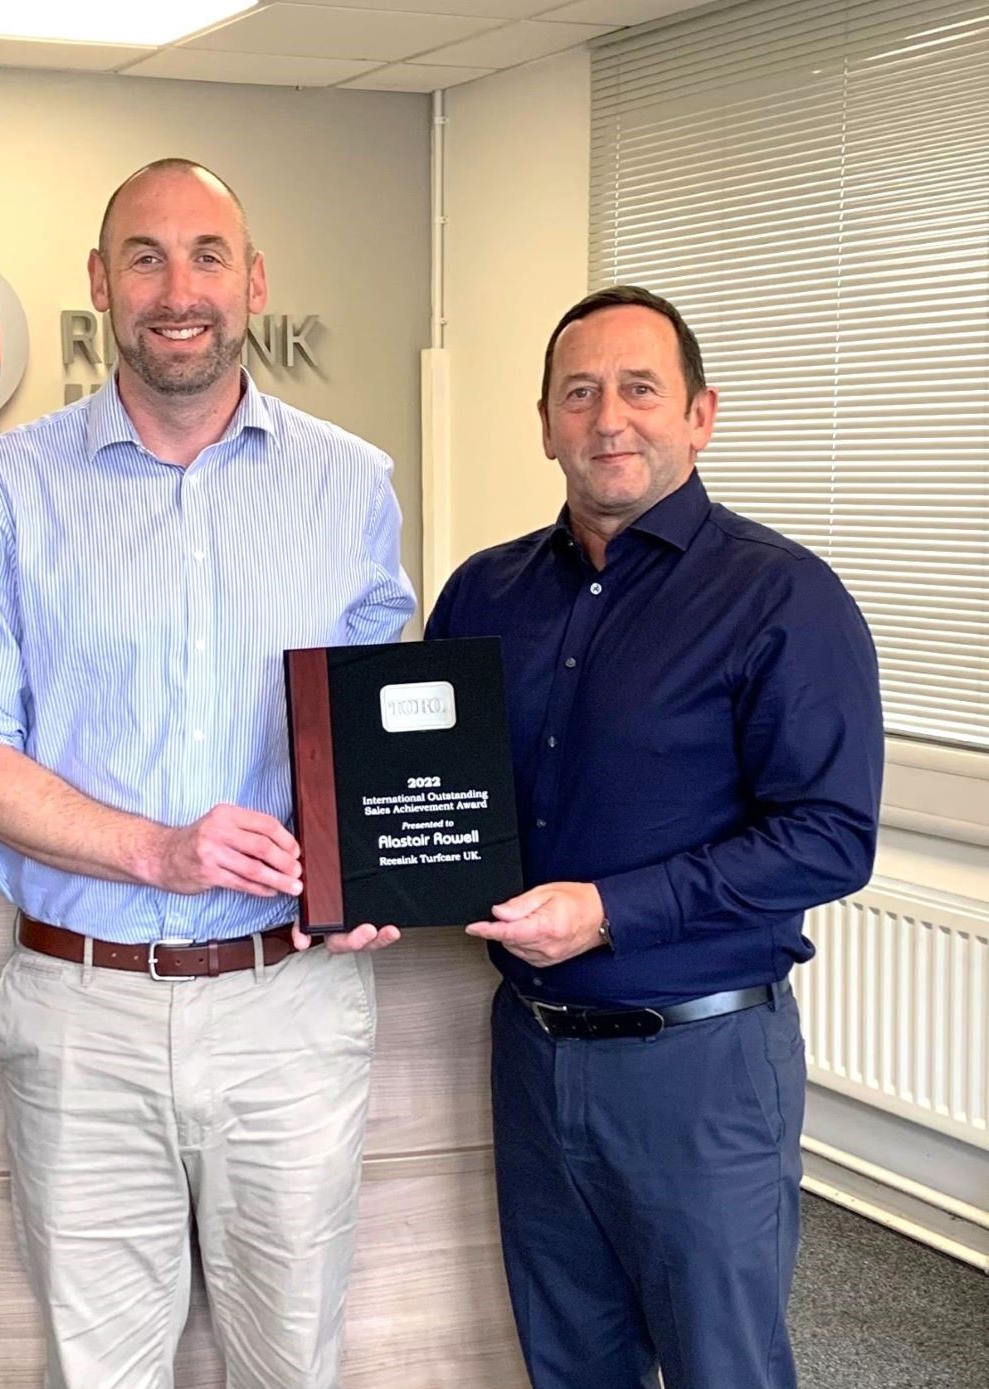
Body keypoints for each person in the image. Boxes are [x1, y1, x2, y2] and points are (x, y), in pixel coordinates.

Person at [0, 158, 416, 1388]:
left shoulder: (351, 486)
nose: (174, 289)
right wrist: (159, 850)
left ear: (252, 281)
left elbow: (372, 732)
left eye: (204, 256)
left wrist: (383, 856)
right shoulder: (4, 489)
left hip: (287, 1007)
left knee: (292, 1360)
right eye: (143, 256)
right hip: (83, 1009)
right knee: (101, 1370)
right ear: (98, 284)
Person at [426, 284, 883, 1389]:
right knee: (566, 1362)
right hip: (530, 1052)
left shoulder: (781, 597)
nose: (607, 419)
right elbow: (440, 797)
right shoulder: (485, 595)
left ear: (700, 414)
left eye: (639, 389)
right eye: (577, 394)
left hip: (701, 1066)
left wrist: (609, 910)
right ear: (544, 422)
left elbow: (829, 838)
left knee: (720, 1366)